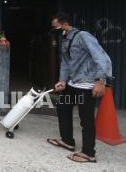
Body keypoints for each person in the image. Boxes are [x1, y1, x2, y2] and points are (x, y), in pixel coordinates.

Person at [47, 13, 112, 163]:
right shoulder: (64, 39)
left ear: (65, 25)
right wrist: (62, 80)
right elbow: (65, 62)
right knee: (62, 107)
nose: (54, 30)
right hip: (72, 83)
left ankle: (89, 153)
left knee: (86, 119)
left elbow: (102, 57)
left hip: (87, 84)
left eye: (55, 27)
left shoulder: (83, 36)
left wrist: (101, 81)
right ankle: (67, 141)